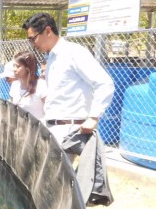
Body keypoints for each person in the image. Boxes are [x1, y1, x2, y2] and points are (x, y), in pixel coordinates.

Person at [22, 13, 114, 144]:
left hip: (71, 129)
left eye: (33, 39)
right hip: (54, 127)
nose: (33, 44)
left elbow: (104, 83)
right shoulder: (52, 58)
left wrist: (94, 117)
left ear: (47, 31)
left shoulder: (73, 52)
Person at [9, 51, 47, 120]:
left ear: (28, 68)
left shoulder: (41, 85)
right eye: (13, 66)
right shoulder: (14, 85)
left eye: (18, 66)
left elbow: (49, 111)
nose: (14, 69)